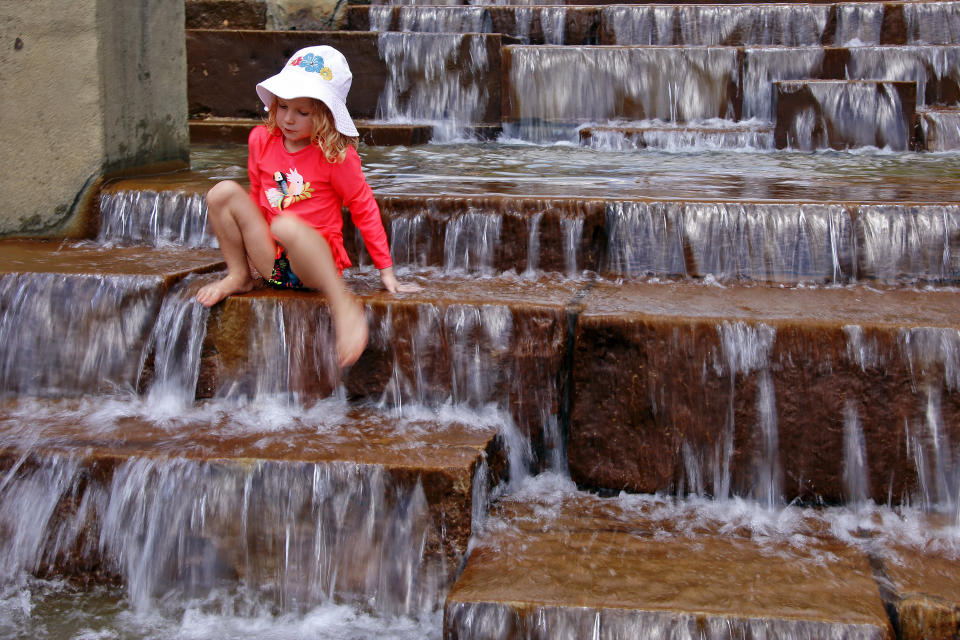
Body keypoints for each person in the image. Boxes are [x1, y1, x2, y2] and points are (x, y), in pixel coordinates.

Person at [196, 45, 416, 367]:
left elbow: (363, 206)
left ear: (326, 115)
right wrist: (252, 257)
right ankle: (240, 276)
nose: (288, 118)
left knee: (286, 225)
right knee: (222, 193)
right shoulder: (261, 139)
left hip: (315, 266)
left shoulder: (335, 155)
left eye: (303, 112)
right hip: (273, 259)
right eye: (283, 106)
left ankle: (342, 304)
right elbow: (258, 195)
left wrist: (386, 270)